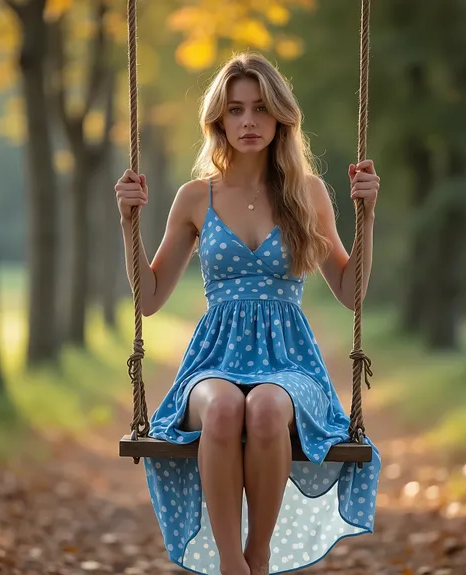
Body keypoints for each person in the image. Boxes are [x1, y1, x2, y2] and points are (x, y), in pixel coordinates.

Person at [114, 52, 382, 575]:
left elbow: (351, 292)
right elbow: (148, 298)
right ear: (219, 120)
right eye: (235, 110)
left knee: (263, 409)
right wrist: (129, 224)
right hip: (214, 358)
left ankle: (257, 554)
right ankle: (231, 562)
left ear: (281, 116)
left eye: (260, 108)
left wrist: (366, 217)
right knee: (222, 409)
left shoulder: (307, 194)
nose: (249, 121)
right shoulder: (196, 197)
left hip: (290, 362)